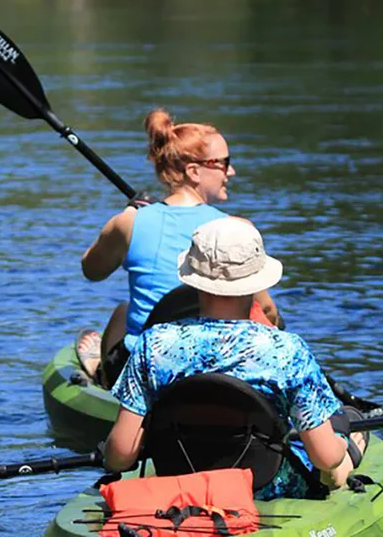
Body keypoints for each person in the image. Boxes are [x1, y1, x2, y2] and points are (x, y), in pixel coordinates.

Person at [104, 218, 367, 500]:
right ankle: (352, 451)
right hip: (268, 490)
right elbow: (325, 458)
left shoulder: (153, 344)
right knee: (337, 453)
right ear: (257, 280)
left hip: (181, 486)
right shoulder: (287, 350)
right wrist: (341, 445)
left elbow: (119, 457)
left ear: (193, 276)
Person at [79, 108, 279, 387]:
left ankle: (103, 375)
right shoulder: (237, 229)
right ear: (194, 171)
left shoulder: (129, 223)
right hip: (219, 366)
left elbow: (92, 270)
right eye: (224, 163)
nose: (231, 171)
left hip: (149, 367)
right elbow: (267, 310)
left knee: (123, 311)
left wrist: (128, 215)